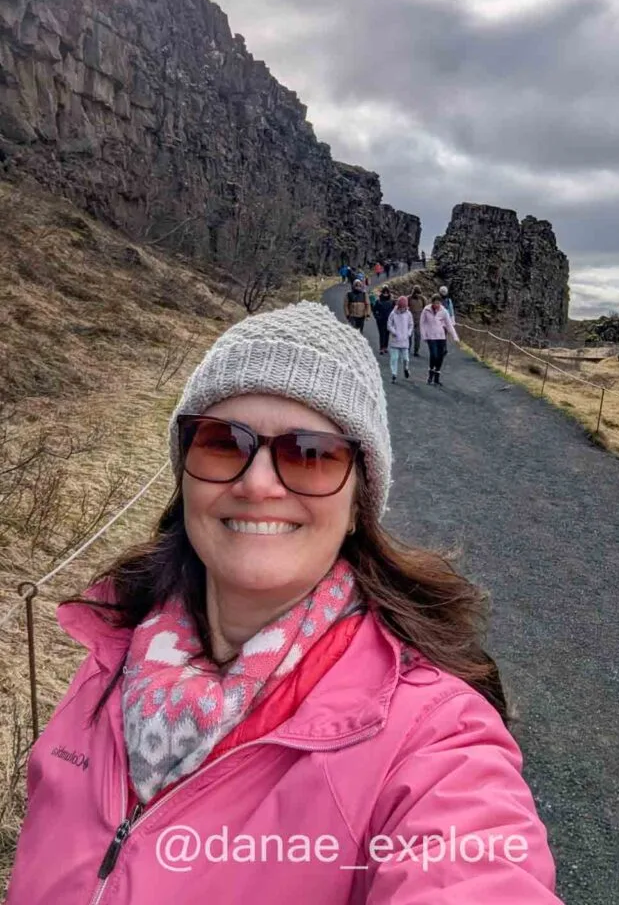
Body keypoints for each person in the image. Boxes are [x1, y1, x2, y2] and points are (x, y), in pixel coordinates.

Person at [7, 301, 563, 905]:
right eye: (223, 443)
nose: (257, 483)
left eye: (310, 454)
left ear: (358, 506)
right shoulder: (110, 649)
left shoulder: (433, 737)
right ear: (185, 473)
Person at [420, 294, 460, 385]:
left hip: (441, 336)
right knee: (434, 355)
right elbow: (422, 323)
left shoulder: (444, 311)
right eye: (435, 303)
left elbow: (449, 325)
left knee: (440, 356)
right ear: (432, 302)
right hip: (431, 336)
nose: (437, 305)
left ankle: (436, 376)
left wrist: (455, 336)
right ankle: (430, 374)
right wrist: (423, 335)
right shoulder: (426, 310)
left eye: (438, 303)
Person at [387, 295, 413, 383]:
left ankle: (406, 368)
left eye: (404, 307)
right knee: (394, 358)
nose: (402, 308)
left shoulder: (408, 314)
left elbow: (411, 325)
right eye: (401, 307)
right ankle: (394, 374)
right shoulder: (393, 313)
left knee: (406, 358)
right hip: (395, 340)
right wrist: (394, 332)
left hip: (404, 340)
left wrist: (409, 333)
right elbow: (389, 325)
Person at [372, 285, 394, 355]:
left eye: (387, 293)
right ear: (382, 293)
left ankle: (385, 347)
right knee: (382, 334)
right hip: (381, 321)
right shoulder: (378, 301)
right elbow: (374, 310)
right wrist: (377, 317)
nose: (385, 294)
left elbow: (394, 311)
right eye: (384, 293)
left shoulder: (391, 302)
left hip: (389, 320)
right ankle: (381, 348)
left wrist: (393, 319)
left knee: (387, 334)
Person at [408, 285, 427, 356]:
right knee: (409, 335)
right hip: (410, 320)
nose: (417, 294)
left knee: (418, 336)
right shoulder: (409, 298)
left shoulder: (423, 299)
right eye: (416, 293)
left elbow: (425, 309)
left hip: (419, 320)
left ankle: (416, 351)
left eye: (418, 293)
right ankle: (408, 349)